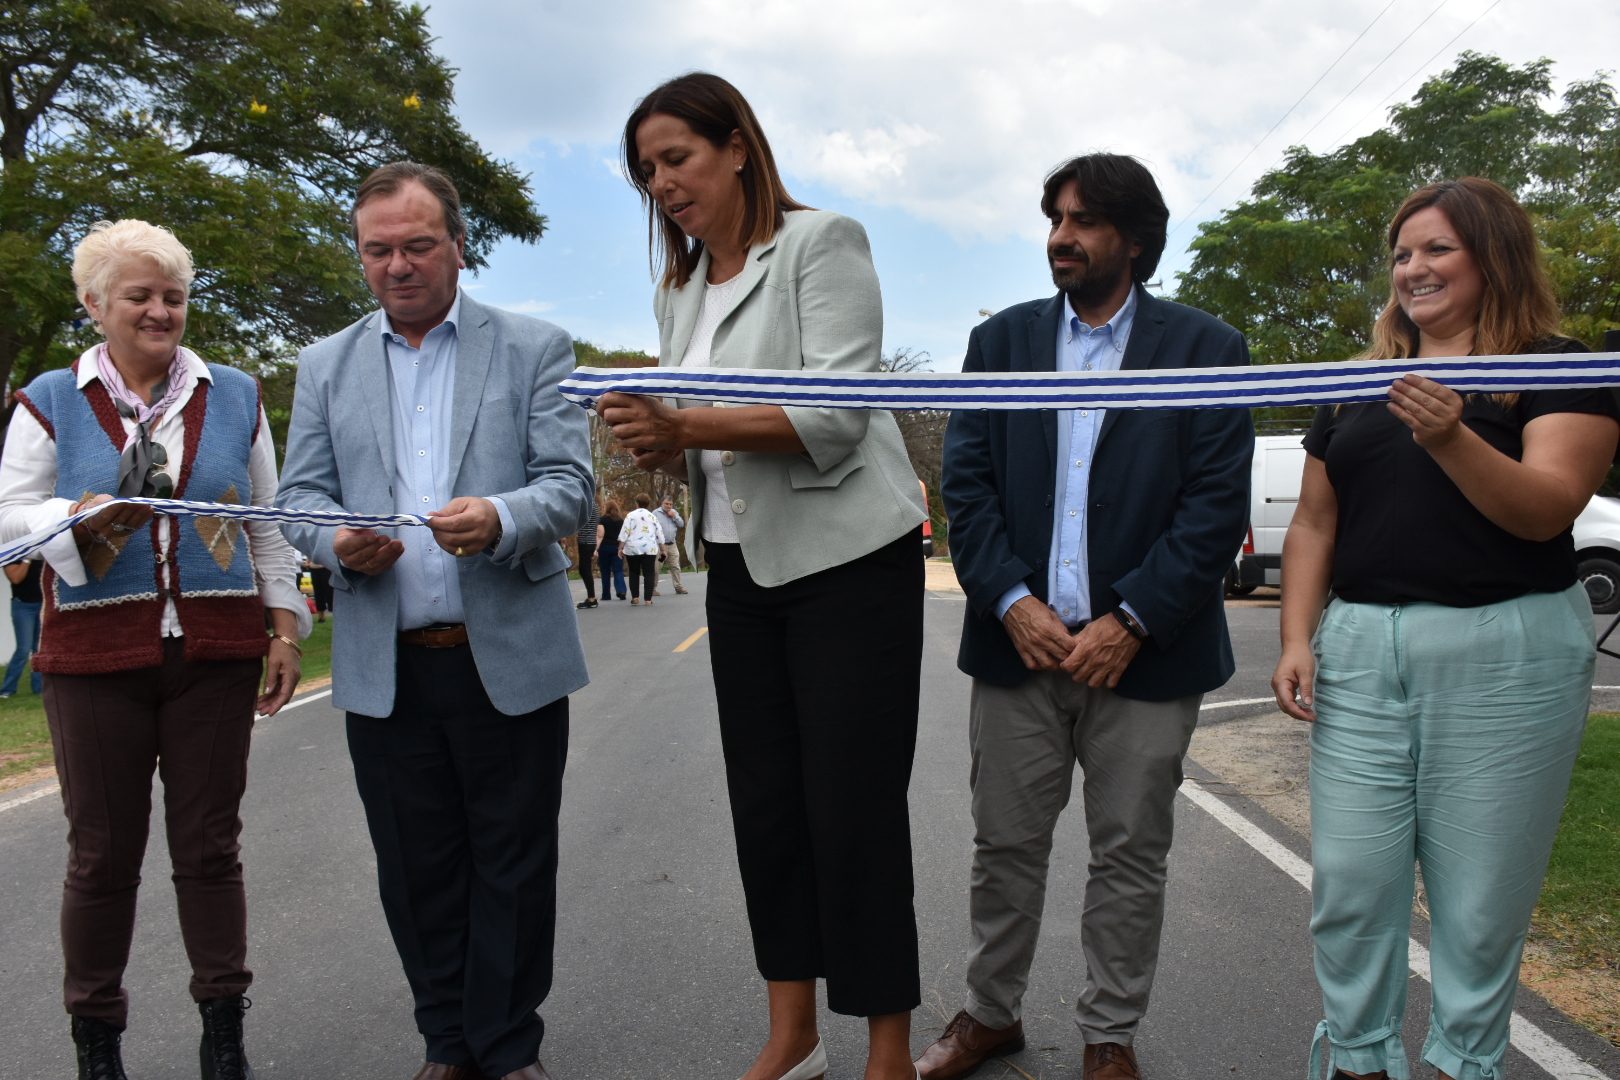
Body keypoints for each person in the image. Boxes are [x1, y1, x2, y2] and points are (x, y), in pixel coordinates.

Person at [601, 72, 928, 1080]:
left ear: (737, 146)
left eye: (677, 158)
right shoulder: (679, 290)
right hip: (743, 571)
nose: (662, 183)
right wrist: (665, 447)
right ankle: (792, 1038)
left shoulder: (823, 246)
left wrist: (685, 424)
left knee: (854, 806)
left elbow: (833, 417)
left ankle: (887, 1049)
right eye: (647, 170)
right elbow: (702, 438)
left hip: (850, 565)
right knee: (769, 804)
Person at [1269, 177, 1620, 1080]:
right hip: (1361, 649)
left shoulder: (1557, 367)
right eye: (1401, 253)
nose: (1412, 268)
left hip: (1508, 653)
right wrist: (1298, 638)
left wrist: (1453, 436)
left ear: (1493, 256)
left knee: (1478, 902)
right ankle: (1357, 1060)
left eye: (1436, 249)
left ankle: (1467, 1063)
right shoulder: (1356, 384)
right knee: (1350, 883)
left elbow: (1547, 511)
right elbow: (1314, 523)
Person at [927, 154, 1253, 1080]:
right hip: (1018, 647)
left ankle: (1109, 1033)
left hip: (1145, 656)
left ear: (1136, 242)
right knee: (1005, 847)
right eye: (1055, 218)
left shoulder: (1208, 350)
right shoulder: (1002, 345)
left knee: (1129, 857)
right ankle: (989, 1015)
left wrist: (1135, 618)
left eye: (1084, 222)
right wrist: (1009, 598)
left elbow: (1215, 503)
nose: (1061, 237)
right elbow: (969, 484)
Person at [277, 162, 591, 1080]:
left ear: (459, 245)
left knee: (514, 864)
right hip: (388, 663)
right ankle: (447, 1043)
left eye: (419, 245)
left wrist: (499, 518)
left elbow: (569, 487)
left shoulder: (534, 347)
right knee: (416, 869)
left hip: (509, 656)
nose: (399, 266)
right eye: (379, 250)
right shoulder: (324, 364)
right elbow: (298, 497)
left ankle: (506, 1046)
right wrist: (335, 545)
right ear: (360, 257)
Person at [0, 218, 310, 1080]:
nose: (161, 311)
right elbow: (6, 527)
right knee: (102, 855)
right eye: (140, 295)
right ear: (94, 303)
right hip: (94, 661)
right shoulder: (50, 400)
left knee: (211, 847)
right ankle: (96, 1041)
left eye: (173, 296)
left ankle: (224, 1034)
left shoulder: (237, 396)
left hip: (213, 654)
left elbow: (266, 525)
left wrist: (282, 628)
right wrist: (77, 516)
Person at [0, 559, 43, 697]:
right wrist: (27, 558)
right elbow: (16, 578)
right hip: (23, 605)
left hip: (42, 604)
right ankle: (7, 689)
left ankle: (39, 688)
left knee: (40, 649)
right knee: (23, 649)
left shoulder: (42, 553)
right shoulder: (13, 554)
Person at [620, 492, 664, 605]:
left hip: (633, 548)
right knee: (649, 573)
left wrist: (620, 548)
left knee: (634, 572)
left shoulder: (630, 516)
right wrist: (663, 549)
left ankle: (635, 597)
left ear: (637, 503)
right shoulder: (653, 517)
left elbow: (625, 532)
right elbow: (659, 534)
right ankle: (648, 599)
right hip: (649, 548)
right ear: (648, 503)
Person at [656, 495, 688, 594]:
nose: (668, 506)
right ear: (662, 503)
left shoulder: (674, 513)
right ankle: (653, 588)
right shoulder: (656, 513)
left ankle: (678, 587)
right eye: (666, 504)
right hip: (661, 546)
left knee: (675, 566)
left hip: (672, 545)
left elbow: (681, 524)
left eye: (670, 504)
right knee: (657, 567)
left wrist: (674, 516)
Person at [597, 499, 626, 600]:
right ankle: (621, 590)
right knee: (618, 570)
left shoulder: (602, 520)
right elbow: (624, 535)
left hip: (605, 547)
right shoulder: (621, 521)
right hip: (617, 547)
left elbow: (600, 534)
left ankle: (606, 595)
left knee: (605, 571)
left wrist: (596, 548)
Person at [575, 497, 601, 610]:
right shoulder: (593, 505)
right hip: (590, 540)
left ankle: (591, 598)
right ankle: (591, 597)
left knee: (585, 569)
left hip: (586, 541)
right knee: (585, 569)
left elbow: (579, 522)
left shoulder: (586, 505)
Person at [307, 557, 334, 622]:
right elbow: (308, 557)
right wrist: (307, 563)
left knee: (330, 592)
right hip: (314, 569)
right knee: (318, 594)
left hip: (325, 569)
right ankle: (321, 617)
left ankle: (334, 615)